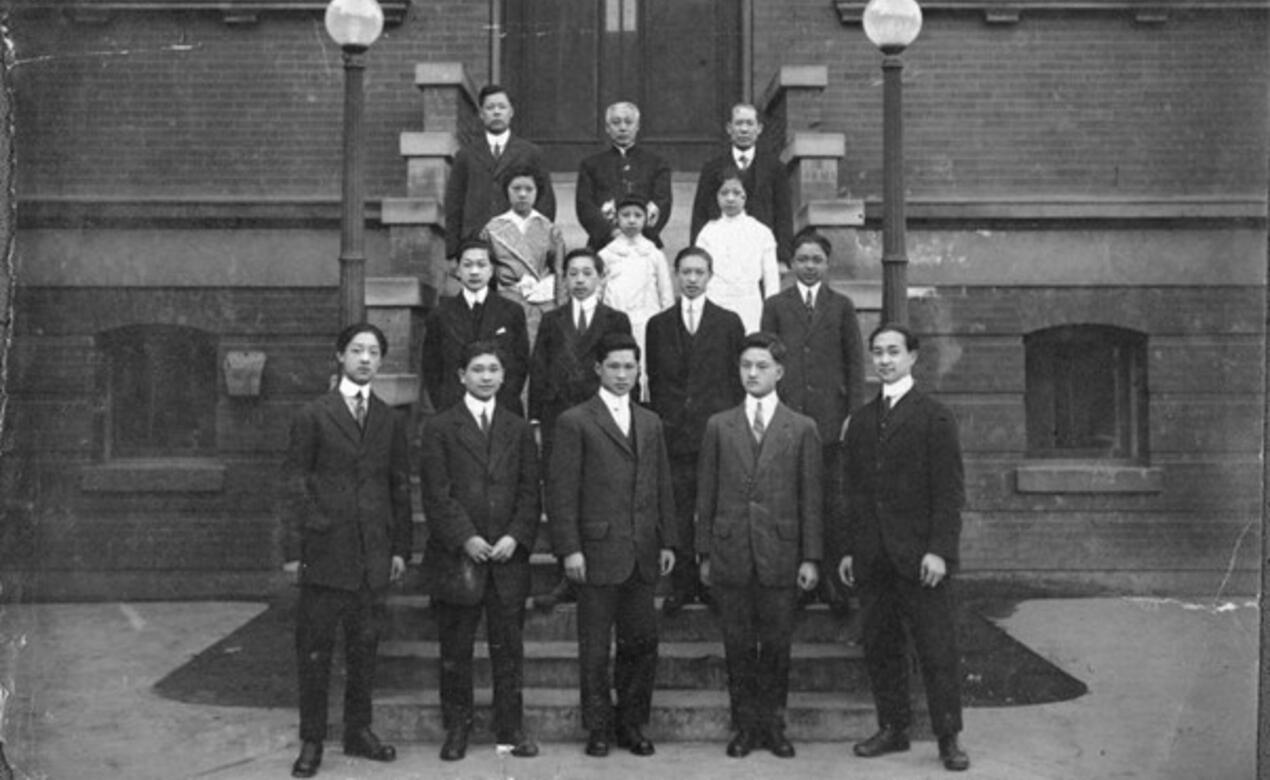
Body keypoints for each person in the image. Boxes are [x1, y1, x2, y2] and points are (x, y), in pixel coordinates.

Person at [835, 323, 971, 772]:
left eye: (894, 352)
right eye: (877, 352)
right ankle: (893, 729)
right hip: (874, 558)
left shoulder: (934, 416)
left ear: (913, 357)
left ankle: (948, 737)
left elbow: (949, 492)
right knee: (881, 645)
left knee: (936, 647)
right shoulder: (861, 420)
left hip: (921, 559)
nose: (885, 360)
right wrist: (852, 550)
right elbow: (853, 492)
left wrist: (939, 550)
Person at [280, 322, 412, 778]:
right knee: (315, 652)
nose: (365, 359)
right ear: (339, 356)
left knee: (364, 650)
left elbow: (398, 486)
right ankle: (312, 740)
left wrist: (400, 548)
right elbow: (294, 484)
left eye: (374, 352)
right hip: (324, 552)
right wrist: (294, 551)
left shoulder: (389, 418)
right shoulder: (314, 415)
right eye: (356, 350)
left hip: (372, 555)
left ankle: (359, 731)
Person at [547, 332, 676, 758]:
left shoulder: (650, 422)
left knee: (641, 643)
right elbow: (562, 491)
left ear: (640, 370)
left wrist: (667, 539)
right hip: (596, 552)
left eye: (630, 367)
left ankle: (632, 724)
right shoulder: (576, 420)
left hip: (641, 551)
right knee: (596, 648)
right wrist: (570, 548)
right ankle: (598, 727)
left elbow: (662, 487)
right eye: (615, 366)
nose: (623, 375)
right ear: (598, 369)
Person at [696, 332, 822, 760]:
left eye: (762, 366)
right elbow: (706, 493)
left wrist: (810, 556)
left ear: (780, 372)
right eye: (746, 365)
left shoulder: (801, 427)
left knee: (777, 645)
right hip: (731, 552)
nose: (752, 373)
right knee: (737, 644)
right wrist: (705, 553)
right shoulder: (719, 425)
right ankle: (745, 727)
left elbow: (811, 497)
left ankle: (773, 725)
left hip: (781, 554)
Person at [419, 340, 541, 762]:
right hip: (460, 558)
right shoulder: (439, 427)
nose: (486, 376)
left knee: (509, 649)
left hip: (507, 559)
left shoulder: (519, 429)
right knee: (456, 650)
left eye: (493, 369)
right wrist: (465, 537)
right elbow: (437, 494)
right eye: (477, 369)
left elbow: (530, 492)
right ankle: (458, 729)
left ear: (504, 376)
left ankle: (510, 730)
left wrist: (515, 536)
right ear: (461, 376)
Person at [760, 228, 865, 608]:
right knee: (790, 500)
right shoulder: (775, 305)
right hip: (788, 418)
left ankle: (832, 582)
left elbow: (855, 365)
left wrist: (852, 414)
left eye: (817, 260)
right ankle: (797, 580)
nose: (809, 267)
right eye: (802, 260)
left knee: (830, 502)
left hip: (829, 421)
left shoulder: (841, 306)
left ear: (827, 264)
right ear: (791, 264)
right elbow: (767, 361)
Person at [528, 248, 632, 611]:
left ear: (600, 279)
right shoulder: (552, 320)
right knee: (562, 492)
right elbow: (538, 369)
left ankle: (602, 568)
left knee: (599, 491)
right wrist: (537, 420)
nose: (580, 280)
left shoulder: (615, 319)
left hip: (599, 418)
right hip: (559, 418)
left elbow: (623, 370)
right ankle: (566, 574)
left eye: (588, 273)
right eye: (573, 273)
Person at [644, 246, 745, 615]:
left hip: (715, 430)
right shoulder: (658, 325)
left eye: (698, 272)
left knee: (717, 506)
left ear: (709, 276)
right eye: (685, 272)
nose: (691, 279)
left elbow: (736, 382)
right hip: (674, 433)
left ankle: (714, 581)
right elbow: (655, 380)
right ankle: (683, 583)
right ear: (675, 274)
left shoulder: (729, 322)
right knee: (680, 508)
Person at [445, 84, 556, 260]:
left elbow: (546, 201)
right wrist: (452, 252)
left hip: (518, 245)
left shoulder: (530, 153)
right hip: (476, 244)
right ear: (481, 114)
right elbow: (454, 204)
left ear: (511, 112)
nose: (496, 112)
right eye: (490, 107)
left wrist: (536, 243)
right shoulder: (466, 155)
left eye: (502, 107)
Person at [422, 239, 530, 416]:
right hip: (454, 410)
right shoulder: (441, 315)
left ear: (491, 270)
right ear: (458, 270)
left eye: (481, 265)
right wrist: (445, 405)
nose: (474, 271)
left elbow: (520, 364)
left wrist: (504, 400)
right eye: (467, 265)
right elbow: (431, 367)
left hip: (502, 410)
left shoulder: (512, 312)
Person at [690, 103, 793, 265]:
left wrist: (782, 258)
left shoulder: (775, 168)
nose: (744, 130)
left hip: (761, 250)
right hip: (723, 250)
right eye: (739, 123)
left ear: (759, 128)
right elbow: (700, 214)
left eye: (749, 123)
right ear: (729, 128)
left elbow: (783, 215)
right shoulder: (712, 168)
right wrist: (697, 256)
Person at [480, 164, 566, 346]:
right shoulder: (493, 228)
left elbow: (559, 270)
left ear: (537, 193)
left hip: (543, 302)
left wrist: (561, 305)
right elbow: (486, 271)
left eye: (529, 189)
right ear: (507, 192)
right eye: (516, 189)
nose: (522, 194)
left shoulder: (548, 228)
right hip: (508, 300)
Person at [576, 102, 672, 251]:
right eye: (616, 123)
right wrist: (610, 232)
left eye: (628, 122)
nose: (622, 128)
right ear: (607, 128)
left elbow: (662, 202)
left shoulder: (657, 163)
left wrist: (641, 233)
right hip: (603, 243)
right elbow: (585, 205)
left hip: (646, 241)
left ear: (637, 126)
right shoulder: (591, 165)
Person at [694, 170, 781, 333]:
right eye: (724, 193)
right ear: (716, 196)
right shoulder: (707, 232)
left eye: (736, 192)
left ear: (745, 196)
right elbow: (700, 271)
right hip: (716, 299)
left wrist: (771, 313)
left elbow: (771, 277)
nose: (730, 198)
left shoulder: (761, 231)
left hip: (749, 303)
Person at [599, 195, 675, 379]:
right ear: (617, 218)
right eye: (625, 215)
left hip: (648, 321)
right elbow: (597, 293)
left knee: (647, 367)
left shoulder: (654, 254)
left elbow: (666, 293)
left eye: (638, 215)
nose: (631, 220)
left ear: (646, 219)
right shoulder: (606, 255)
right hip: (616, 321)